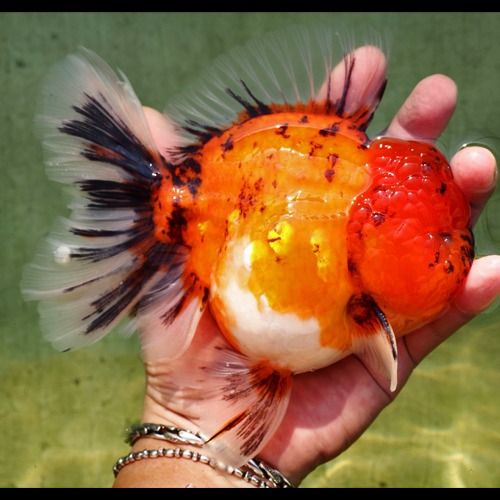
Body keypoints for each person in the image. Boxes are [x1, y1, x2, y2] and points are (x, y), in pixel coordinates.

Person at [112, 45, 500, 488]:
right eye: (435, 237)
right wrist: (195, 441)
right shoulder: (366, 313)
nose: (450, 244)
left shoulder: (372, 311)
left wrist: (200, 456)